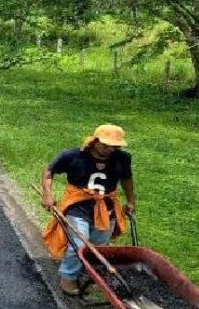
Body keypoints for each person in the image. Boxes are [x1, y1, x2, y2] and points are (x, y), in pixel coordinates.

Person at [41, 124, 135, 296]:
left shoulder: (122, 159)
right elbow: (49, 171)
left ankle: (90, 276)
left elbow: (127, 179)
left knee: (99, 247)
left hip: (106, 208)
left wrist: (130, 201)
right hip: (78, 206)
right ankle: (68, 277)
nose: (110, 150)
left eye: (114, 147)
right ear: (95, 141)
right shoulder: (73, 156)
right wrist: (47, 194)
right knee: (79, 244)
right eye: (106, 145)